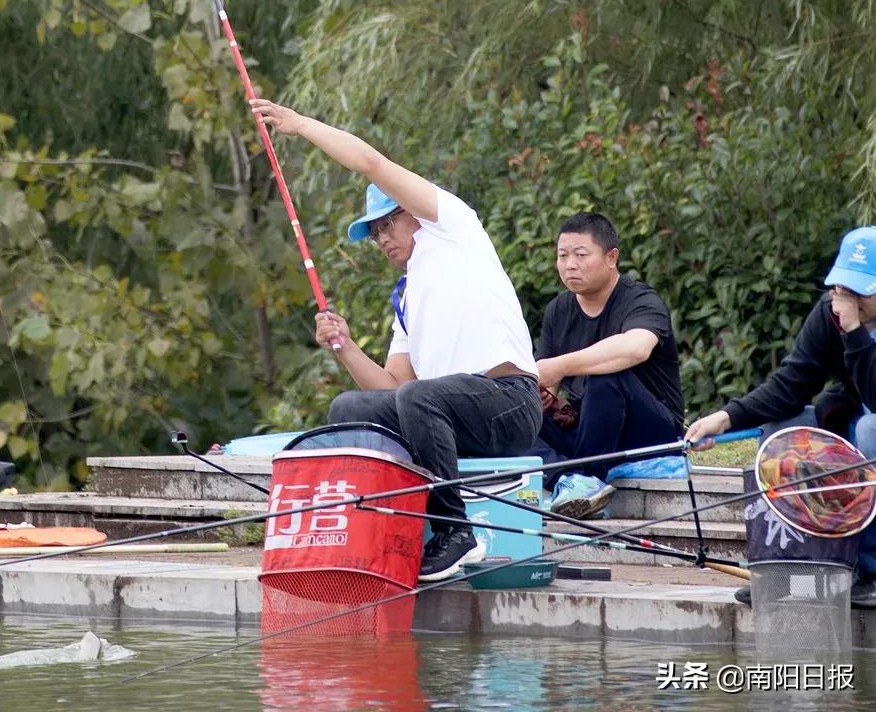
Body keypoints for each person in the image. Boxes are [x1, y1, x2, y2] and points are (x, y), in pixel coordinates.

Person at [249, 98, 542, 582]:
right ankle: (380, 526)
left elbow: (371, 163)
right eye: (374, 232)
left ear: (415, 215)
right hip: (447, 415)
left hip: (507, 405)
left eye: (389, 223)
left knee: (420, 397)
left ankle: (454, 531)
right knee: (350, 409)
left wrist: (300, 125)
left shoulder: (453, 227)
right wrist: (343, 345)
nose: (382, 238)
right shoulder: (406, 299)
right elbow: (390, 387)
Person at [686, 226, 876, 607]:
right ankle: (786, 567)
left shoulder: (848, 320)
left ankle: (869, 570)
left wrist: (855, 333)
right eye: (842, 287)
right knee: (782, 430)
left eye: (861, 290)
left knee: (872, 429)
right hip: (853, 416)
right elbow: (791, 383)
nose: (848, 299)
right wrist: (725, 417)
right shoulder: (830, 312)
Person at [529, 213, 684, 519]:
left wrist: (560, 367)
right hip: (590, 430)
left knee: (606, 378)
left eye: (580, 255)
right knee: (509, 415)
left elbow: (635, 348)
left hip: (649, 431)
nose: (569, 264)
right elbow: (546, 382)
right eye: (562, 255)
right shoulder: (558, 310)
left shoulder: (641, 300)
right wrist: (542, 395)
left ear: (611, 257)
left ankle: (585, 480)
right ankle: (566, 482)